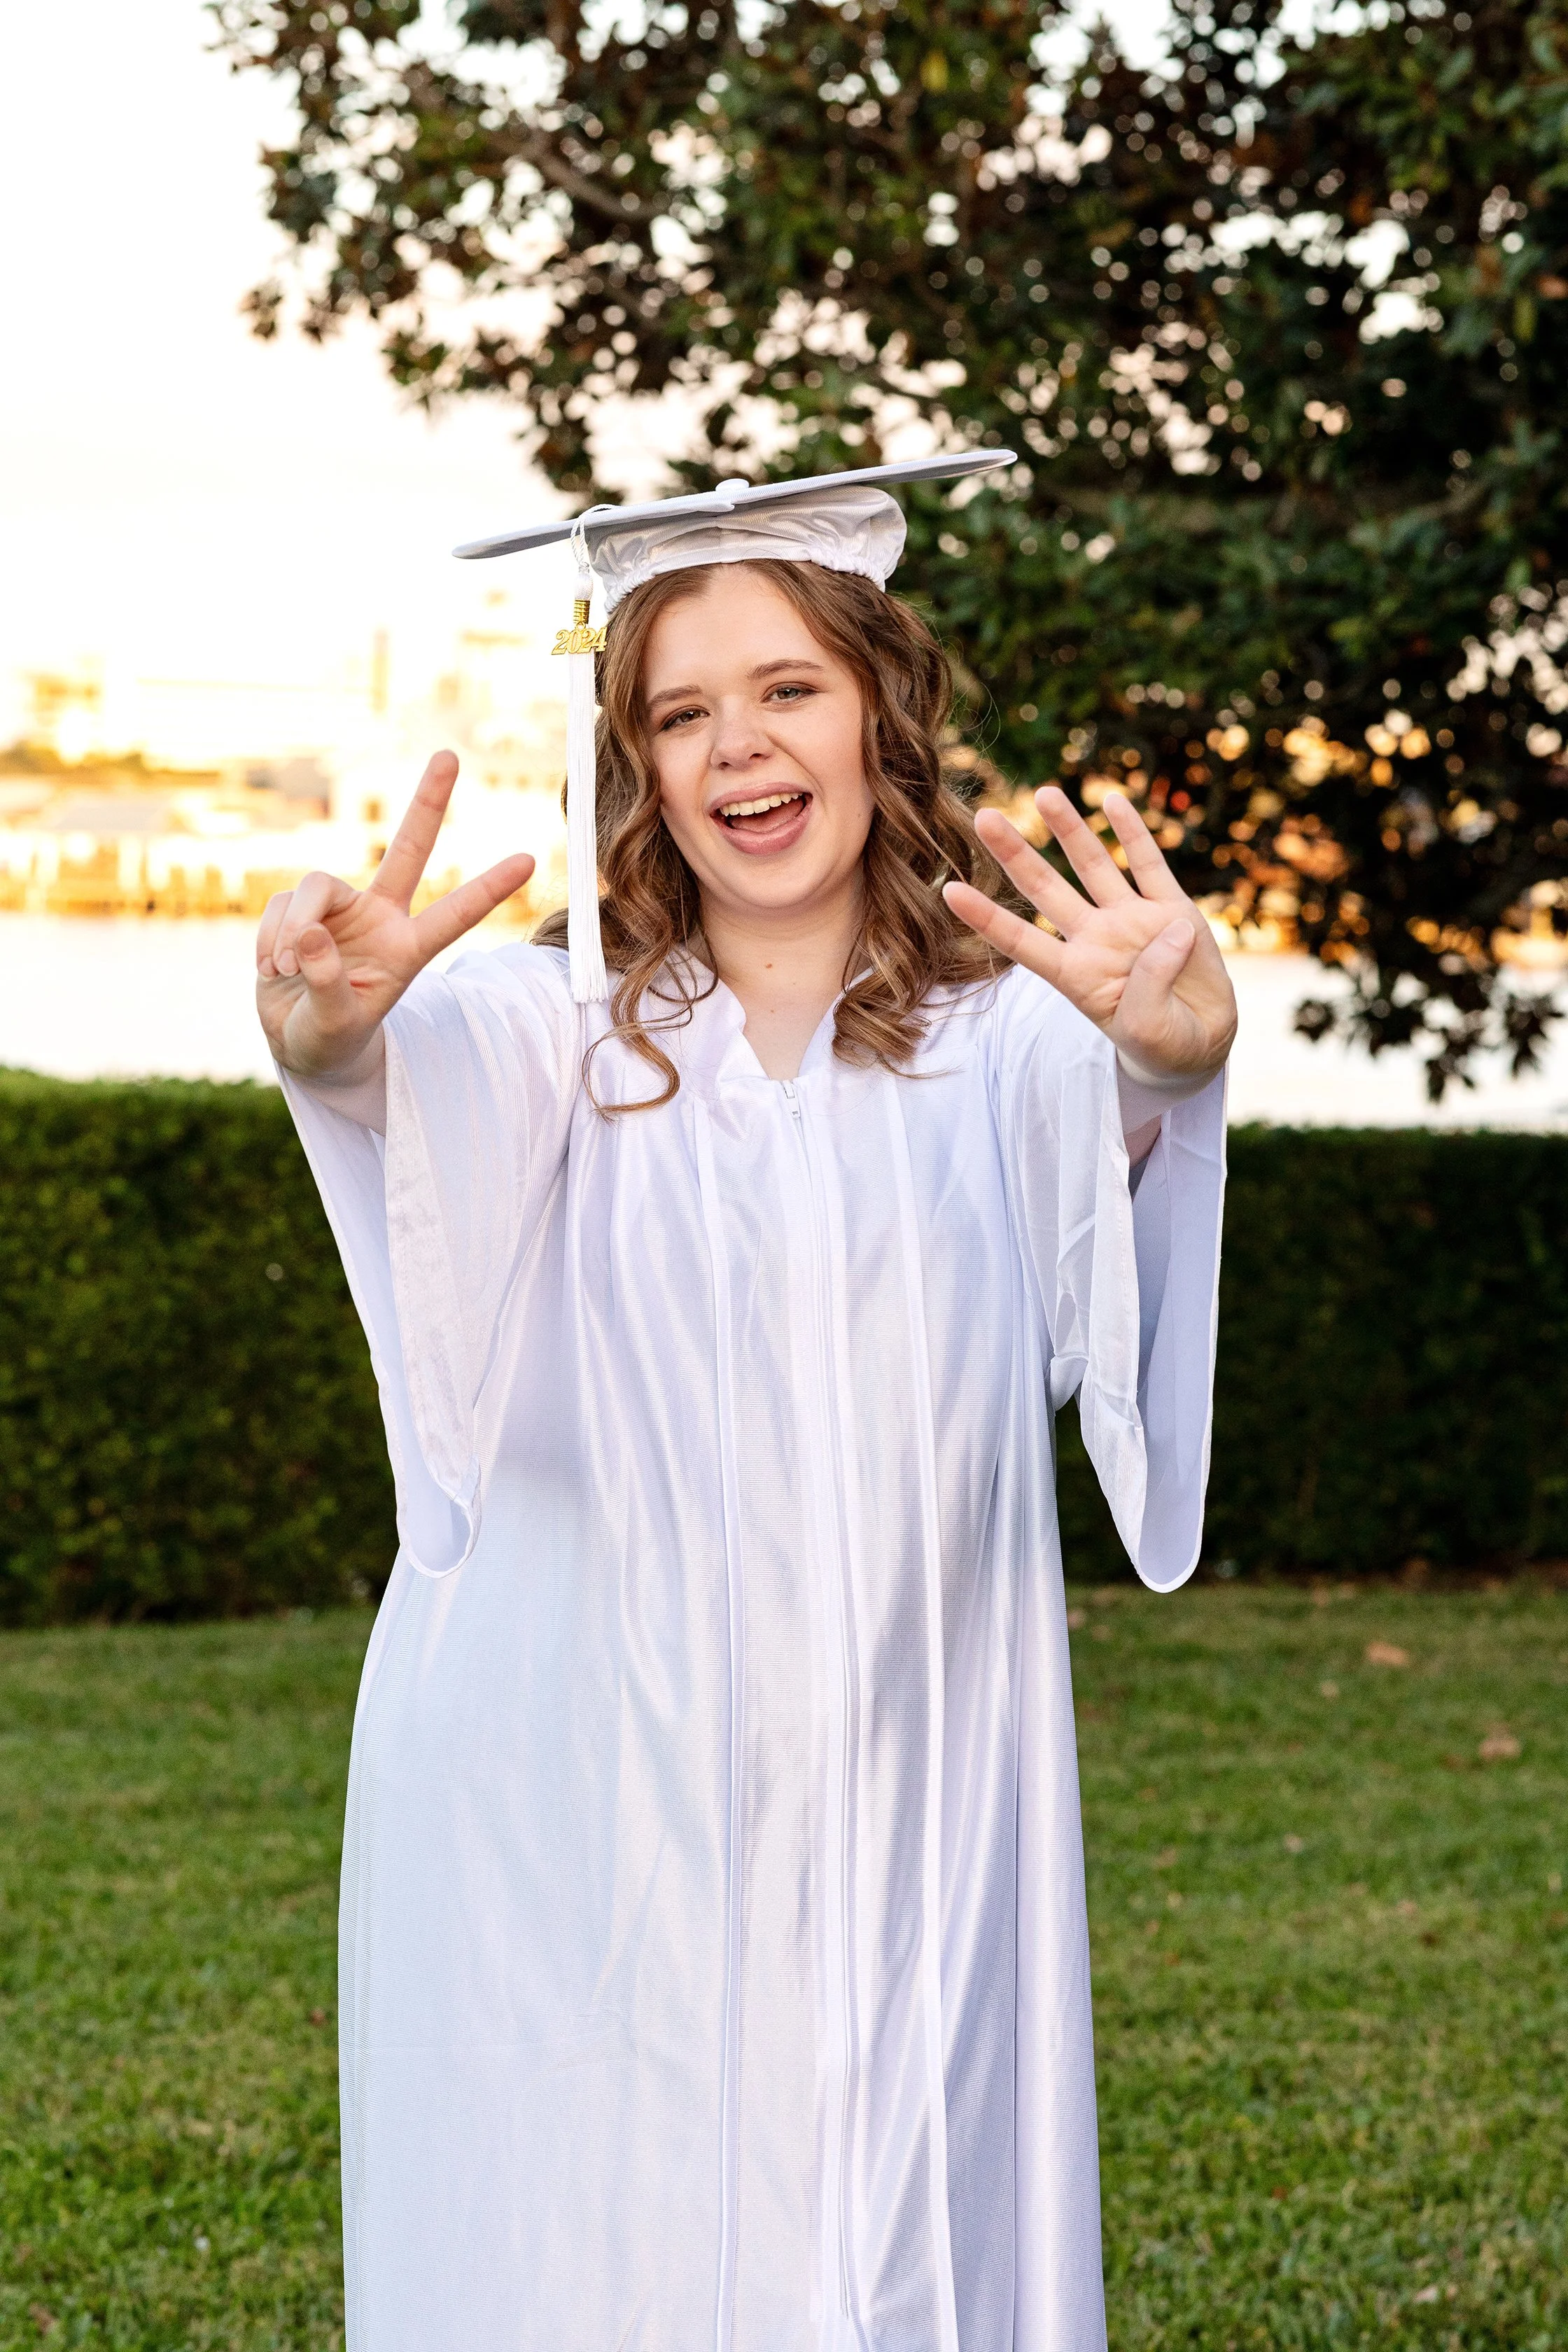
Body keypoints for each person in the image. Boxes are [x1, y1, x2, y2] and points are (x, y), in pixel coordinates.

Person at [257, 460, 1236, 2352]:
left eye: (787, 687)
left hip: (908, 1781)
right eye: (680, 712)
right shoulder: (573, 1044)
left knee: (897, 2207)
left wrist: (1172, 1067)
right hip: (604, 1792)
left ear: (882, 712)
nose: (740, 749)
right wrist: (325, 1036)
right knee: (618, 2219)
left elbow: (1100, 1164)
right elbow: (397, 1100)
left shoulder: (1000, 1038)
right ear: (633, 763)